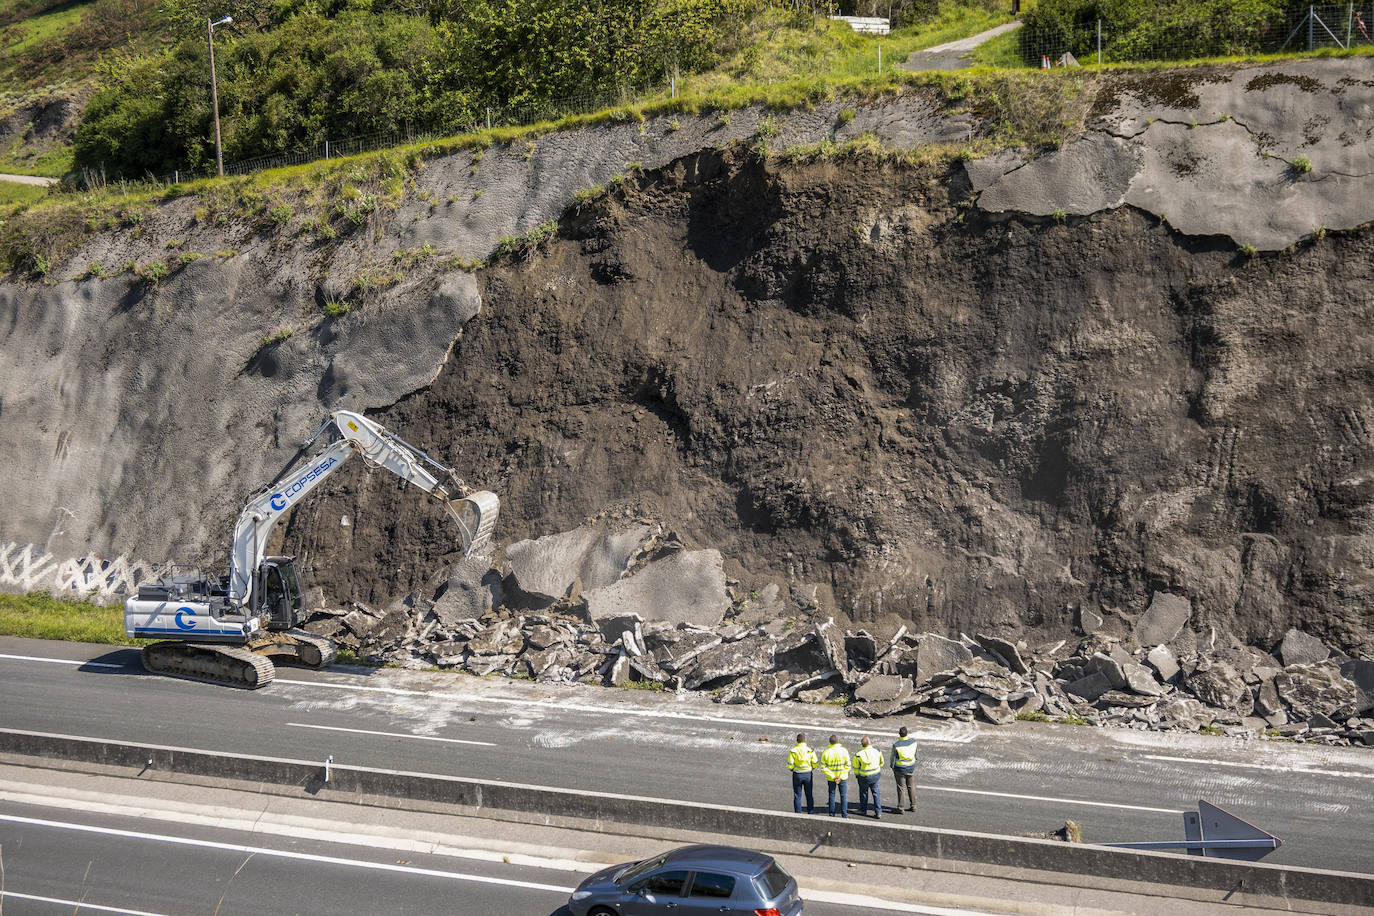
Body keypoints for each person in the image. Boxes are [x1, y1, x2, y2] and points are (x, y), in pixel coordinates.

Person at [819, 735, 851, 818]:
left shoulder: (826, 752)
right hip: (842, 777)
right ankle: (844, 815)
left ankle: (831, 814)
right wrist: (840, 777)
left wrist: (834, 776)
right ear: (838, 741)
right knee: (843, 796)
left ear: (830, 742)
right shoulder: (844, 751)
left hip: (831, 778)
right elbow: (848, 765)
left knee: (831, 795)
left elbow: (823, 767)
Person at [853, 736, 884, 819]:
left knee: (863, 793)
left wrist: (857, 775)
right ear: (870, 743)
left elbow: (855, 767)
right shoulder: (877, 751)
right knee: (876, 793)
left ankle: (863, 809)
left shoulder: (858, 754)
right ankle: (878, 812)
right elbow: (882, 762)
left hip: (863, 777)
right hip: (875, 775)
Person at [787, 733, 817, 814]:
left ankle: (798, 813)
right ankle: (810, 812)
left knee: (797, 795)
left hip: (797, 774)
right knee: (809, 795)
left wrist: (792, 769)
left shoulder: (793, 751)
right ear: (805, 740)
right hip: (808, 774)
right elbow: (815, 762)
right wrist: (811, 768)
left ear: (797, 741)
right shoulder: (810, 750)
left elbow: (790, 765)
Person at [891, 725, 918, 813]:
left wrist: (892, 767)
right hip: (910, 767)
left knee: (901, 788)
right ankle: (913, 806)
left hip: (900, 769)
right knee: (911, 787)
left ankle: (901, 808)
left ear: (899, 734)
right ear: (907, 733)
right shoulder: (913, 742)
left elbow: (893, 759)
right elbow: (916, 755)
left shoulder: (896, 745)